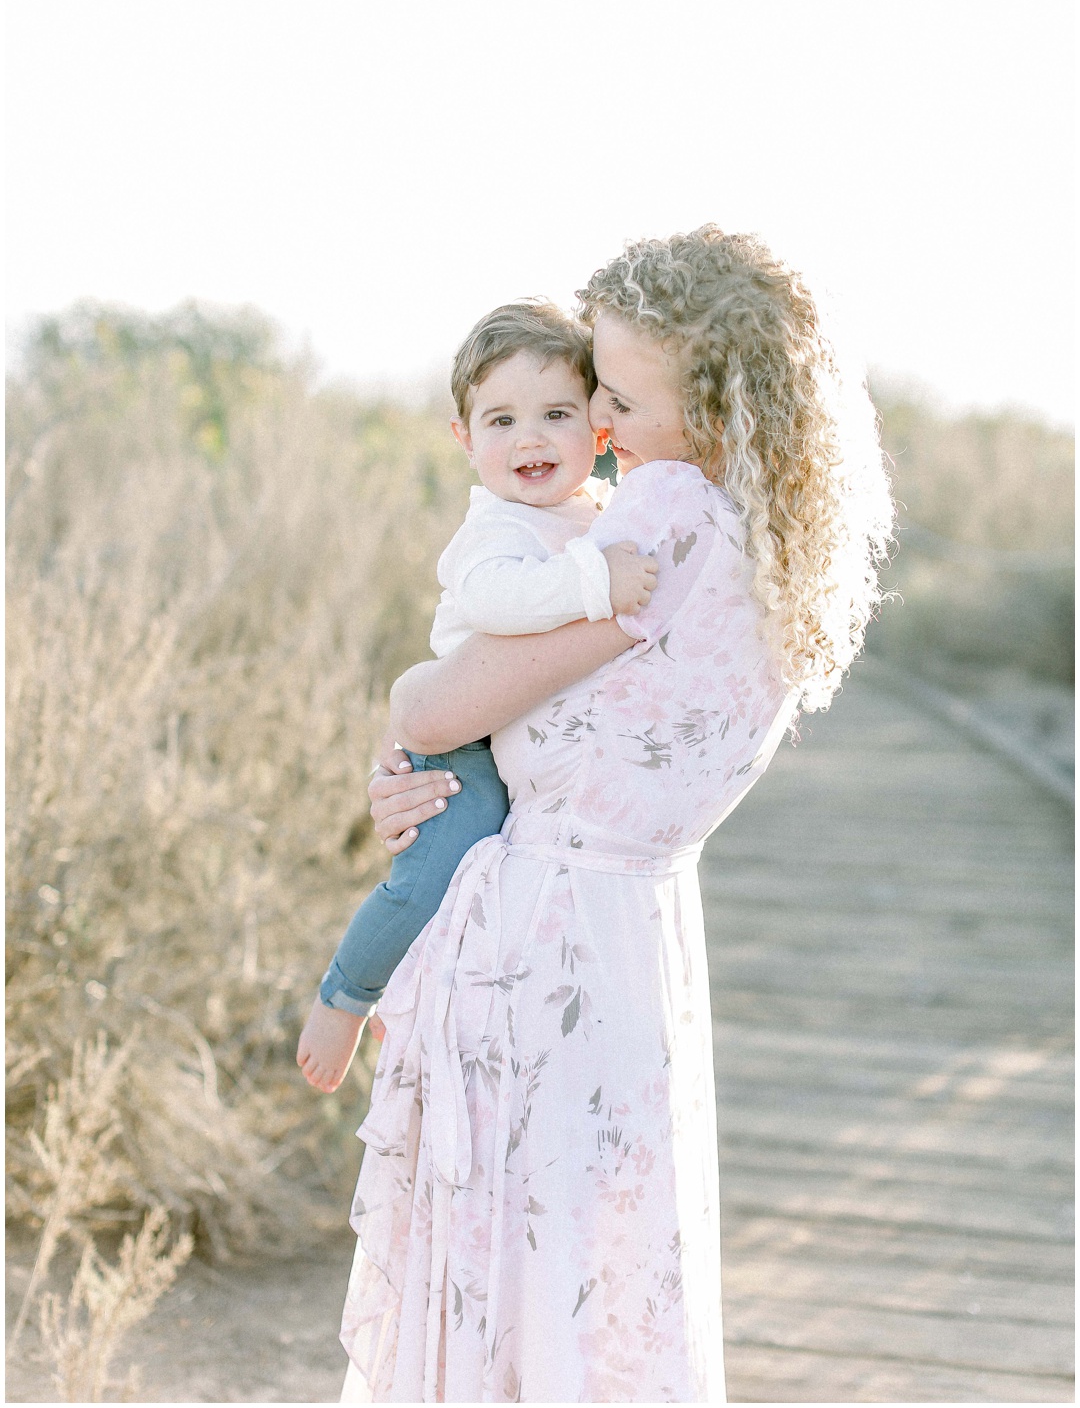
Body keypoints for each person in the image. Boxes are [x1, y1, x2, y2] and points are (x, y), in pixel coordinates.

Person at [341, 226, 893, 1403]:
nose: (599, 420)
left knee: (525, 1258)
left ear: (708, 399)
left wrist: (410, 720)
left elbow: (439, 700)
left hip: (546, 935)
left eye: (620, 397)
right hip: (638, 926)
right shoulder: (771, 529)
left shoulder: (664, 507)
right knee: (603, 1258)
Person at [297, 301, 658, 1093]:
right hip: (458, 745)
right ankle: (344, 996)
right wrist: (599, 582)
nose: (529, 438)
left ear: (598, 430)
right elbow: (503, 606)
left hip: (510, 742)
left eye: (555, 414)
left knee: (475, 892)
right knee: (430, 878)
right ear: (464, 439)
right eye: (501, 420)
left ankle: (411, 991)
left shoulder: (585, 512)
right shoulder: (495, 530)